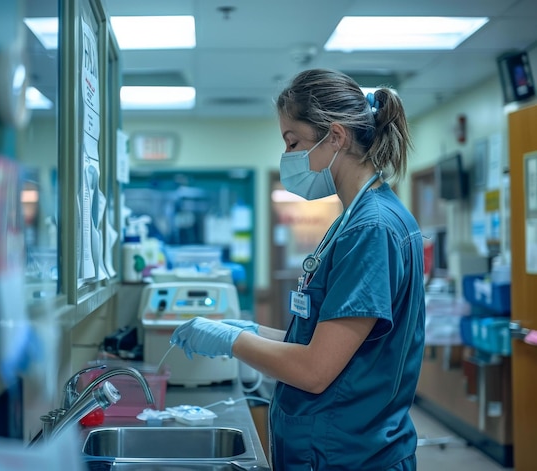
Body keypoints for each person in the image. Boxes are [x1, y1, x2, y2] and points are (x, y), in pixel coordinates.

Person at [171, 68, 425, 470]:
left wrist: (229, 341)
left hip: (348, 453)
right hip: (335, 445)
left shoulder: (371, 228)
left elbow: (315, 370)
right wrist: (248, 330)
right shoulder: (355, 219)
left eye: (294, 142)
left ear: (336, 136)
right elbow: (321, 339)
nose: (289, 156)